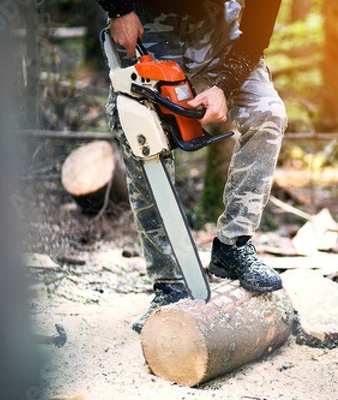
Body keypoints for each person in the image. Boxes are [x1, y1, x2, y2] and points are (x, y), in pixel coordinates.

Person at [95, 0, 287, 332]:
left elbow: (257, 30)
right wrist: (118, 8)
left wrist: (225, 85)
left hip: (219, 32)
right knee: (139, 133)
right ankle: (169, 283)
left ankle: (234, 245)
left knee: (267, 113)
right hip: (146, 20)